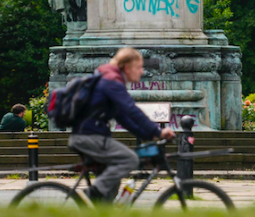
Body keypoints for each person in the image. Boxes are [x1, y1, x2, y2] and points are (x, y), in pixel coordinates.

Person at [68, 47, 175, 203]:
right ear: (127, 68)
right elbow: (131, 110)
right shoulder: (112, 82)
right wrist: (157, 132)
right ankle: (92, 193)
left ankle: (102, 216)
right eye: (139, 67)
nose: (142, 71)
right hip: (89, 137)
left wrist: (149, 135)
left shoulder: (109, 81)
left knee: (113, 181)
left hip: (88, 136)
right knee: (130, 159)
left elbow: (124, 118)